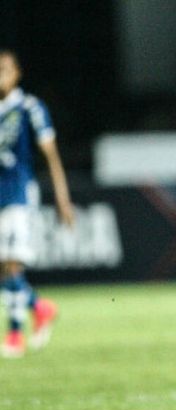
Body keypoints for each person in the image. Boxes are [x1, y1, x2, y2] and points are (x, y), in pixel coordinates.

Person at [0, 50, 74, 358]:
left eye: (4, 68)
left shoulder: (30, 107)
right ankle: (40, 307)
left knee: (12, 264)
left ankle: (15, 335)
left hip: (20, 196)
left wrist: (62, 196)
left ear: (18, 73)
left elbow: (51, 154)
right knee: (5, 270)